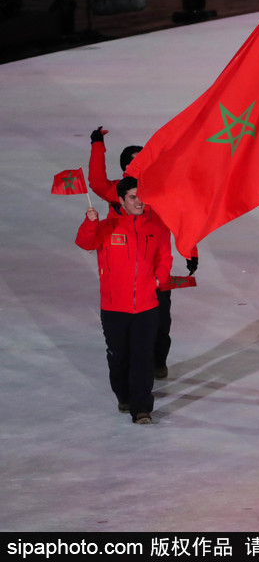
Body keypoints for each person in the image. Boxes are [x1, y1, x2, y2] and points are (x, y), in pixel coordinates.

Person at [88, 126, 196, 379]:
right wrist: (97, 145)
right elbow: (95, 180)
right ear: (126, 167)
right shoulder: (117, 192)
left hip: (156, 266)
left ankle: (158, 360)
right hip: (126, 271)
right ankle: (135, 376)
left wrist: (191, 251)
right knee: (131, 329)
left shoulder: (161, 192)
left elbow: (182, 222)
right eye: (135, 163)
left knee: (161, 324)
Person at [76, 177, 173, 424]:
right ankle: (124, 396)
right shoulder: (108, 226)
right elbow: (85, 242)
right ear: (120, 200)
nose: (139, 201)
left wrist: (158, 281)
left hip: (147, 305)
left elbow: (165, 256)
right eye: (132, 197)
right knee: (119, 356)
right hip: (114, 307)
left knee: (143, 357)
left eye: (141, 196)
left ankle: (141, 408)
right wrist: (90, 223)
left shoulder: (157, 225)